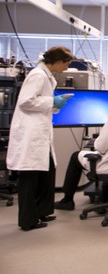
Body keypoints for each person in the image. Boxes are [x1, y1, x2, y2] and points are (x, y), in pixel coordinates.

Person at [7, 46, 74, 231]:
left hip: (40, 131)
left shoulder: (47, 76)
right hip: (31, 133)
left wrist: (56, 103)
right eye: (66, 64)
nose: (66, 69)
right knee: (30, 177)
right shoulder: (38, 75)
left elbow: (40, 103)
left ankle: (42, 211)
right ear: (58, 61)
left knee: (47, 172)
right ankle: (28, 220)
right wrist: (52, 101)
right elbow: (26, 101)